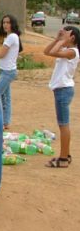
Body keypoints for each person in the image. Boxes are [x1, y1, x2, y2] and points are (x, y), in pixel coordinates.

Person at [43, 26, 80, 168]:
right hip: (61, 90)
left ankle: (64, 159)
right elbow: (47, 51)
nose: (62, 34)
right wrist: (57, 39)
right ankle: (66, 155)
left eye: (66, 33)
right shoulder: (66, 51)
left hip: (64, 90)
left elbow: (52, 52)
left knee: (63, 125)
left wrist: (61, 40)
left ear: (72, 38)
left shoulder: (73, 52)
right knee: (63, 124)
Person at [0, 14, 23, 130]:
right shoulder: (11, 37)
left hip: (8, 71)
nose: (5, 25)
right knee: (6, 97)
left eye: (8, 22)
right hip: (5, 70)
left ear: (12, 24)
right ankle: (6, 122)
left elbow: (2, 53)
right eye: (4, 22)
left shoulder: (11, 37)